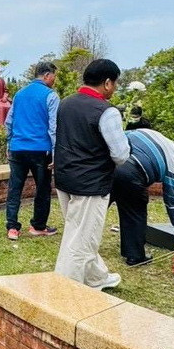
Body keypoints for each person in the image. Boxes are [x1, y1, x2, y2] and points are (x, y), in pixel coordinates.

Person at [53, 58, 129, 290]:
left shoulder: (65, 103)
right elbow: (120, 154)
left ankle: (97, 277)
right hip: (91, 183)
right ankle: (67, 290)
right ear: (107, 83)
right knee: (81, 240)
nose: (114, 88)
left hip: (65, 178)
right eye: (114, 83)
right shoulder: (107, 112)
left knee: (79, 231)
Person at [110, 131, 174, 265]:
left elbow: (119, 136)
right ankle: (135, 255)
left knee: (97, 207)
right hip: (133, 175)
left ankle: (80, 243)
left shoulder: (152, 134)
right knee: (135, 211)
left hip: (110, 167)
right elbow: (172, 200)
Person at [5, 61, 60, 240]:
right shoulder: (51, 96)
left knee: (15, 189)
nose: (54, 80)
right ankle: (38, 226)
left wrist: (9, 144)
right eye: (54, 76)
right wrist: (55, 152)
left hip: (18, 148)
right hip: (40, 150)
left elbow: (9, 122)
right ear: (46, 75)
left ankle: (12, 228)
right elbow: (53, 128)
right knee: (43, 189)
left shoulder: (19, 94)